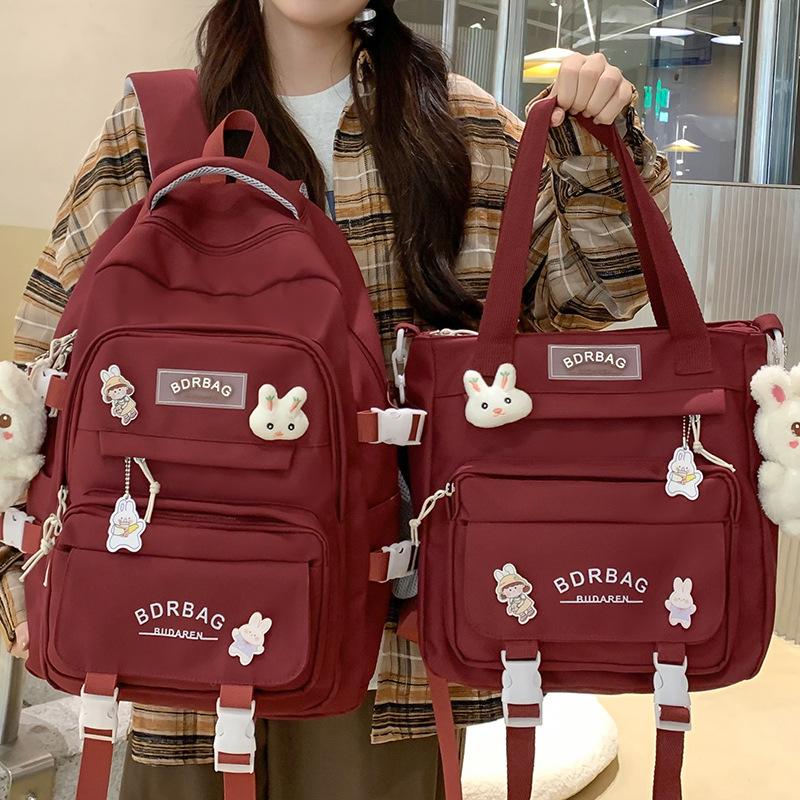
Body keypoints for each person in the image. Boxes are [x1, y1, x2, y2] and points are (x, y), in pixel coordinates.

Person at [3, 1, 670, 798]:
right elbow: (43, 360)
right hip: (173, 625)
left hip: (388, 642)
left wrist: (599, 148)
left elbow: (590, 296)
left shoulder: (461, 126)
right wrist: (21, 571)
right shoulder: (155, 119)